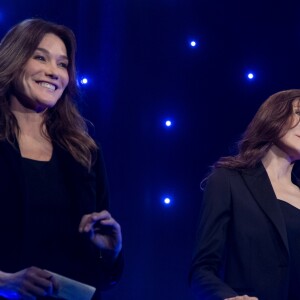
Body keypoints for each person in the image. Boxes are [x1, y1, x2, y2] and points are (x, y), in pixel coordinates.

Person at [0, 18, 123, 299]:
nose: (54, 72)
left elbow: (103, 277)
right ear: (13, 60)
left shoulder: (84, 151)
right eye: (40, 57)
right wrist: (5, 282)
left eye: (62, 64)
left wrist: (110, 253)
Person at [189, 89, 300, 300]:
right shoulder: (228, 181)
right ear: (274, 114)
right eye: (299, 112)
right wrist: (228, 297)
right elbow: (202, 270)